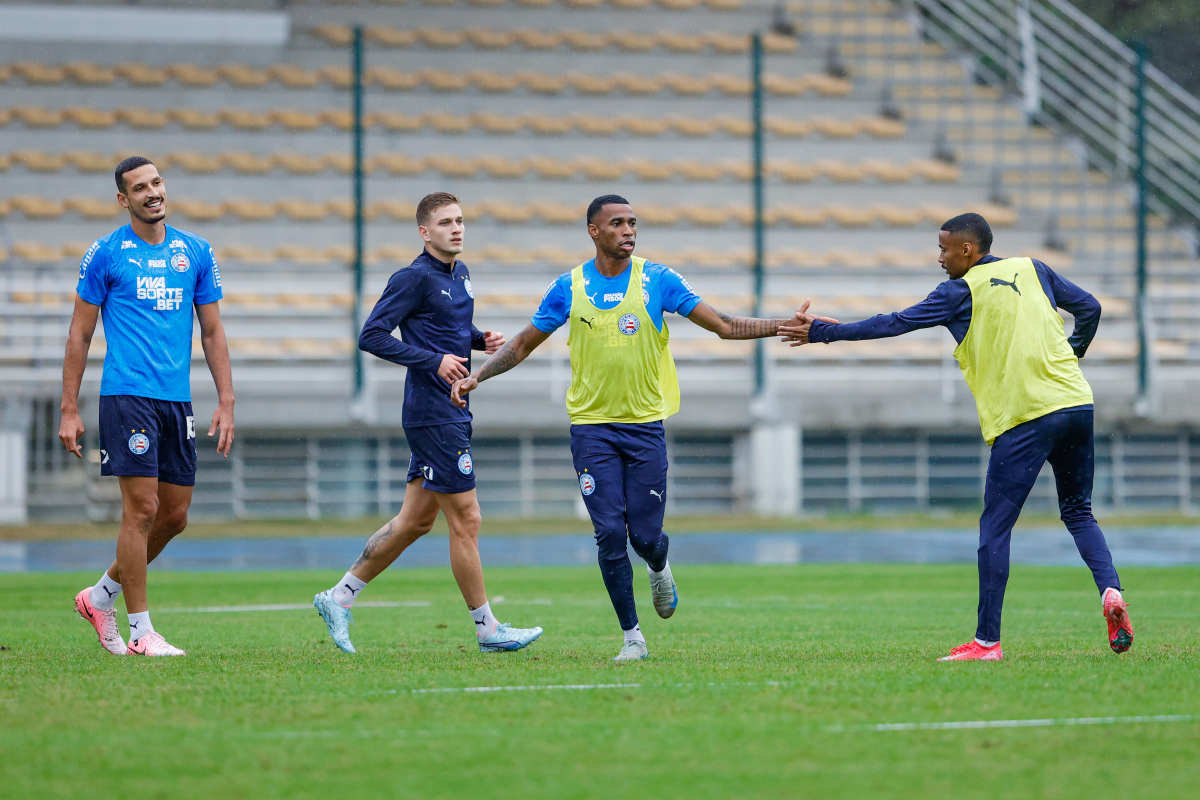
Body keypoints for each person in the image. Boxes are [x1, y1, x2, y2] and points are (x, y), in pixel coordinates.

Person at [451, 194, 825, 662]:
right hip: (591, 428)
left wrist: (780, 325)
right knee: (609, 532)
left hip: (645, 427)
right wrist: (478, 376)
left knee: (644, 537)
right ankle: (632, 637)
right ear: (594, 231)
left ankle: (659, 563)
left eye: (633, 223)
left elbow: (725, 327)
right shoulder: (568, 287)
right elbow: (525, 342)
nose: (628, 231)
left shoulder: (658, 280)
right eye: (617, 223)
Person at [779, 212, 1133, 661]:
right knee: (1079, 512)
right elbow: (1091, 308)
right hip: (1077, 405)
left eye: (944, 249)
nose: (940, 258)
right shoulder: (1034, 268)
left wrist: (823, 333)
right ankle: (1110, 591)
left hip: (1023, 417)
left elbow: (894, 323)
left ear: (968, 250)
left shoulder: (958, 291)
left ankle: (987, 643)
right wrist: (1073, 352)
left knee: (995, 529)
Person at [313, 192, 543, 654]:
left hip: (452, 409)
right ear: (424, 232)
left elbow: (448, 331)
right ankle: (487, 629)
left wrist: (480, 340)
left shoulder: (462, 276)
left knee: (414, 522)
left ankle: (338, 597)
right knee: (467, 518)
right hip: (431, 413)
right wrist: (432, 362)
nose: (456, 228)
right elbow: (371, 335)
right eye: (445, 223)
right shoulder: (413, 277)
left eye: (459, 220)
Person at [61, 156, 235, 657]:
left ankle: (100, 597)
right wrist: (68, 408)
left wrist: (226, 398)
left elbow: (213, 331)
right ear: (124, 200)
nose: (152, 192)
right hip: (126, 395)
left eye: (156, 183)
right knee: (141, 510)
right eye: (140, 188)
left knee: (174, 516)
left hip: (175, 401)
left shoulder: (196, 252)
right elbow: (80, 332)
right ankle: (141, 633)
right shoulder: (106, 254)